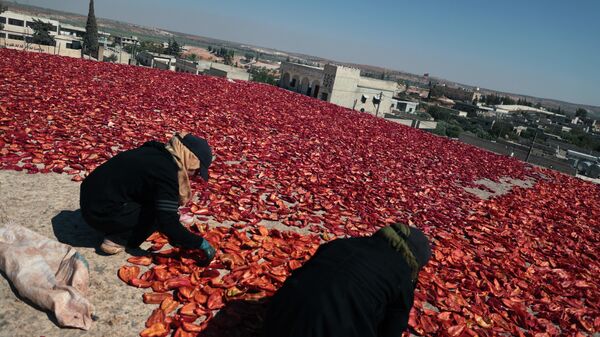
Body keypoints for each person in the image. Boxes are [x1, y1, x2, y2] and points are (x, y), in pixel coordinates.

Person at [263, 223, 431, 337]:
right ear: (414, 261)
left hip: (273, 324)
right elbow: (391, 330)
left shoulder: (340, 244)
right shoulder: (401, 274)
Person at [79, 132, 215, 261]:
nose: (195, 175)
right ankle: (118, 239)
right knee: (157, 213)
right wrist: (198, 243)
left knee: (160, 200)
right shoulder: (166, 173)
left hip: (90, 199)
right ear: (190, 158)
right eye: (197, 170)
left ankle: (119, 223)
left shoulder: (157, 152)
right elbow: (167, 221)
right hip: (98, 213)